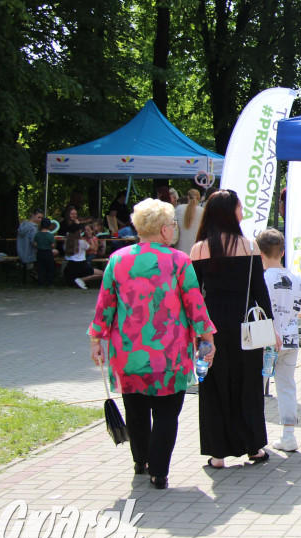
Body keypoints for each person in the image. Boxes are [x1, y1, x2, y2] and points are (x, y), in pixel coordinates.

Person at [87, 198, 217, 489]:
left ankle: (140, 460)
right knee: (167, 413)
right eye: (172, 225)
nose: (173, 230)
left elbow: (104, 305)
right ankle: (159, 471)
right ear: (163, 230)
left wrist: (96, 339)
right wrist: (207, 338)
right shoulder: (179, 260)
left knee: (135, 410)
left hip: (128, 352)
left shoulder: (117, 259)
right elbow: (195, 304)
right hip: (169, 353)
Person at [191, 189, 277, 469]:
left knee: (213, 383)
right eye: (240, 207)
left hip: (210, 323)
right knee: (249, 383)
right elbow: (260, 291)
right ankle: (253, 447)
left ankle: (217, 454)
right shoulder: (249, 246)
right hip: (246, 323)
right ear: (231, 212)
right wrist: (272, 327)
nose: (242, 212)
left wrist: (195, 330)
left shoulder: (199, 248)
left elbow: (193, 294)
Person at [256, 228, 301, 451]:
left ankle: (256, 436)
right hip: (290, 339)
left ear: (259, 253)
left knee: (256, 387)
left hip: (265, 339)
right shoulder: (295, 278)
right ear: (283, 251)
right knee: (287, 386)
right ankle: (289, 435)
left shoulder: (261, 279)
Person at [175, 189, 204, 255]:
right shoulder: (202, 211)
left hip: (180, 250)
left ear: (188, 197)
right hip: (196, 251)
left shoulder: (179, 209)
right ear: (199, 198)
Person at [33, 218, 58, 287]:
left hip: (40, 252)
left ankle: (40, 282)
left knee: (40, 268)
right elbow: (52, 245)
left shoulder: (37, 235)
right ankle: (50, 282)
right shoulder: (50, 235)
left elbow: (34, 243)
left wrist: (39, 245)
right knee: (50, 268)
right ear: (50, 226)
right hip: (48, 252)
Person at [17, 210, 42, 276]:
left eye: (41, 218)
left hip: (21, 251)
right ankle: (37, 274)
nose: (40, 220)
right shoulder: (34, 227)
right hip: (30, 253)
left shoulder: (22, 225)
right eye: (38, 217)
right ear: (33, 215)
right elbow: (34, 241)